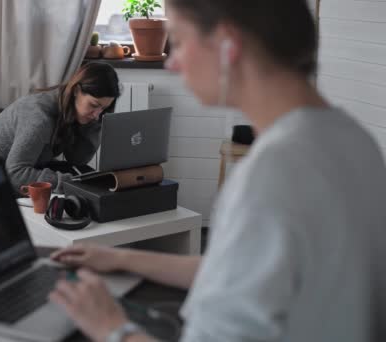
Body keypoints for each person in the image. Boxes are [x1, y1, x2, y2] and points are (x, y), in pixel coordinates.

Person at [48, 0, 386, 341]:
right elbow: (242, 271)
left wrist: (112, 328)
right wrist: (121, 258)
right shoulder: (353, 139)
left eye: (178, 41)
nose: (174, 64)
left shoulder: (271, 175)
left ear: (228, 45)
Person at [0, 62, 120, 193]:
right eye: (94, 105)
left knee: (86, 174)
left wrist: (92, 123)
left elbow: (77, 159)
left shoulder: (75, 109)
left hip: (28, 163)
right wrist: (69, 183)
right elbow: (15, 173)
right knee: (80, 183)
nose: (97, 115)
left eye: (104, 108)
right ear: (77, 91)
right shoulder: (39, 118)